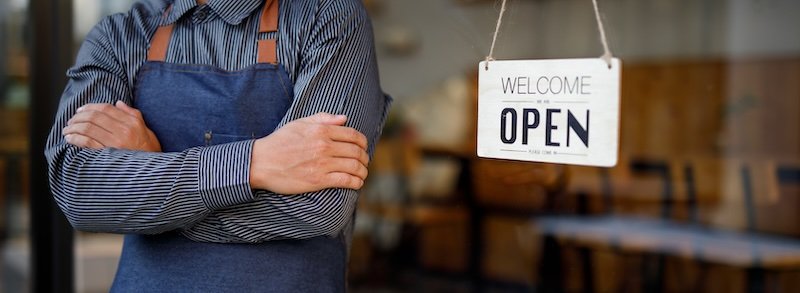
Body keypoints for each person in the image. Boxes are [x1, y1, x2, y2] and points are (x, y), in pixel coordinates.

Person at [45, 0, 391, 291]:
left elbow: (319, 206)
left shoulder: (328, 18)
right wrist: (254, 164)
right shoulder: (120, 34)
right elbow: (80, 192)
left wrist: (152, 173)